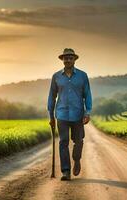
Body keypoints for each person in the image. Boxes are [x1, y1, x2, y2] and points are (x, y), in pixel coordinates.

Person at [47, 48, 92, 181]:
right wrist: (51, 115)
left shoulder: (83, 76)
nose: (68, 60)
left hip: (78, 114)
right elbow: (51, 96)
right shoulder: (56, 77)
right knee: (63, 142)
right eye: (65, 58)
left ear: (74, 59)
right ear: (62, 60)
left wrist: (87, 112)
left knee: (78, 141)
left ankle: (76, 159)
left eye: (70, 58)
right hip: (61, 114)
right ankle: (66, 171)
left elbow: (87, 95)